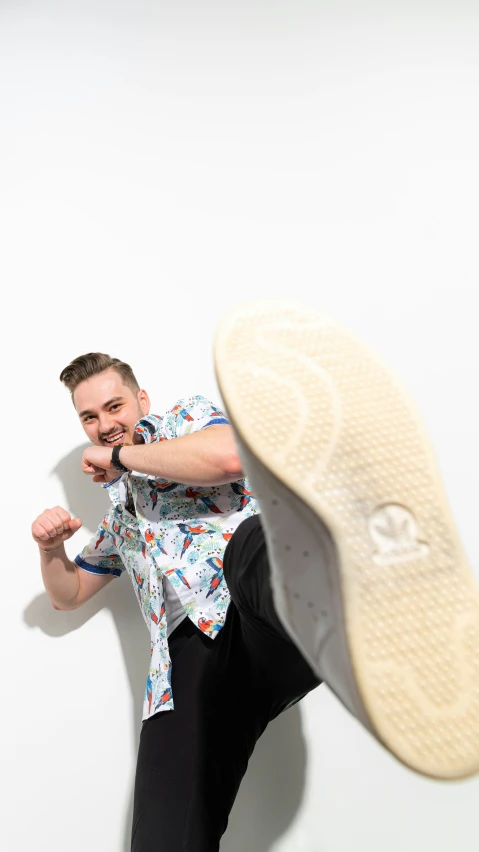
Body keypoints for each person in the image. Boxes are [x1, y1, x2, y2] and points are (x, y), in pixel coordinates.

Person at [33, 301, 479, 851]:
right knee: (163, 837)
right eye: (90, 419)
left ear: (141, 400)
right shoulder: (120, 518)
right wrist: (51, 548)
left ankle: (369, 597)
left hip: (256, 615)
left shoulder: (186, 422)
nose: (104, 425)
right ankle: (362, 622)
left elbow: (228, 459)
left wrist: (124, 455)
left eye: (113, 406)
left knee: (253, 543)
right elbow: (69, 594)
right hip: (184, 674)